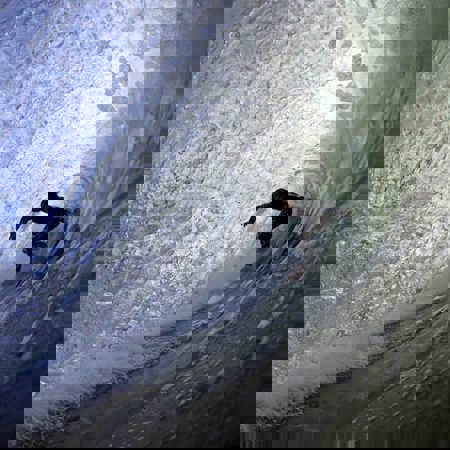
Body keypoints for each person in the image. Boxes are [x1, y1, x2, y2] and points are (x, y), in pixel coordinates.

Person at [9, 192, 70, 271]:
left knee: (38, 236)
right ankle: (23, 262)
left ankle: (31, 254)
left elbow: (64, 213)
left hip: (52, 225)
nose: (46, 209)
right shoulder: (47, 210)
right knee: (34, 238)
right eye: (44, 208)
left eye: (46, 207)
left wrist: (65, 225)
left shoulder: (55, 210)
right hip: (48, 225)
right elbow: (36, 212)